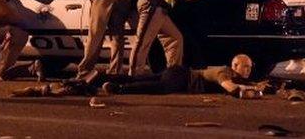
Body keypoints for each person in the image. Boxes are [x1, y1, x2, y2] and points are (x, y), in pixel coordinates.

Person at [102, 54, 265, 98]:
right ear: (234, 65)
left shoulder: (234, 76)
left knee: (142, 79)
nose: (248, 70)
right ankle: (119, 89)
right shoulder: (224, 73)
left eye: (249, 67)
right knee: (161, 88)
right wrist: (253, 90)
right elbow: (232, 89)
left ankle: (103, 78)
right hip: (182, 76)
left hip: (179, 73)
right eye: (245, 67)